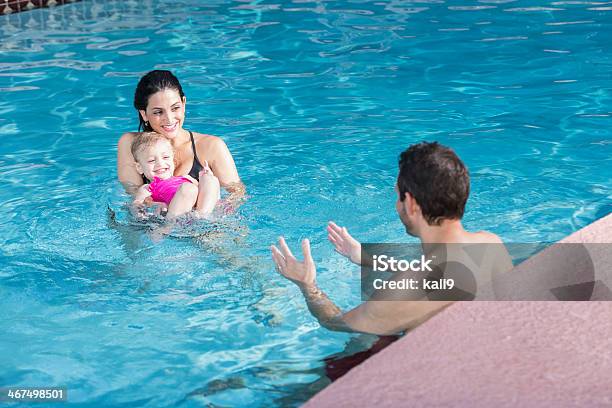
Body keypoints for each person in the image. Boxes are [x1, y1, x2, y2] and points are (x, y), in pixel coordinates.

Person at [271, 142, 513, 335]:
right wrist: (368, 259)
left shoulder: (401, 292)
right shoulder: (491, 243)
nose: (397, 205)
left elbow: (337, 323)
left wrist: (308, 285)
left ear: (410, 204)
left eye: (398, 197)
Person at [117, 70, 245, 206]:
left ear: (183, 104)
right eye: (158, 112)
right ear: (144, 114)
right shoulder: (131, 144)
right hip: (153, 223)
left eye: (175, 108)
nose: (169, 119)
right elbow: (132, 196)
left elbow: (237, 194)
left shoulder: (211, 146)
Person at [131, 132, 220, 219]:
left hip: (197, 211)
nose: (160, 163)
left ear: (173, 160)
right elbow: (136, 206)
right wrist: (154, 205)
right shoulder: (147, 188)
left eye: (165, 157)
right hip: (174, 217)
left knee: (210, 179)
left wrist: (205, 177)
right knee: (188, 188)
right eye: (151, 161)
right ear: (139, 168)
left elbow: (204, 192)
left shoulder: (186, 178)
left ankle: (203, 215)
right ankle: (170, 224)